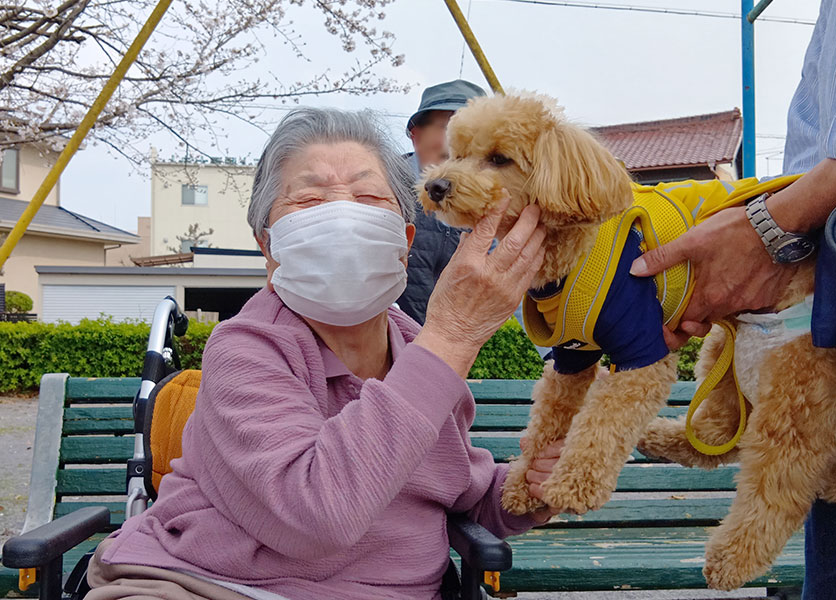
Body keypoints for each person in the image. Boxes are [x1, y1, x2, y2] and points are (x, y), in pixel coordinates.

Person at [83, 108, 560, 600]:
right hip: (214, 585)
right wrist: (454, 334)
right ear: (268, 247)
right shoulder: (246, 348)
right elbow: (319, 513)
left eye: (369, 197)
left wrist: (532, 487)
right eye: (308, 200)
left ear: (404, 241)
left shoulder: (419, 349)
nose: (342, 217)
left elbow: (460, 493)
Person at [630, 1, 836, 597]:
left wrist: (772, 226)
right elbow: (815, 133)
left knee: (796, 430)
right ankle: (714, 436)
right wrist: (782, 236)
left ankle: (753, 530)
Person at [397, 79, 486, 324]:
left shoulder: (486, 201)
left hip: (452, 335)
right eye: (446, 127)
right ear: (416, 135)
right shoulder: (383, 184)